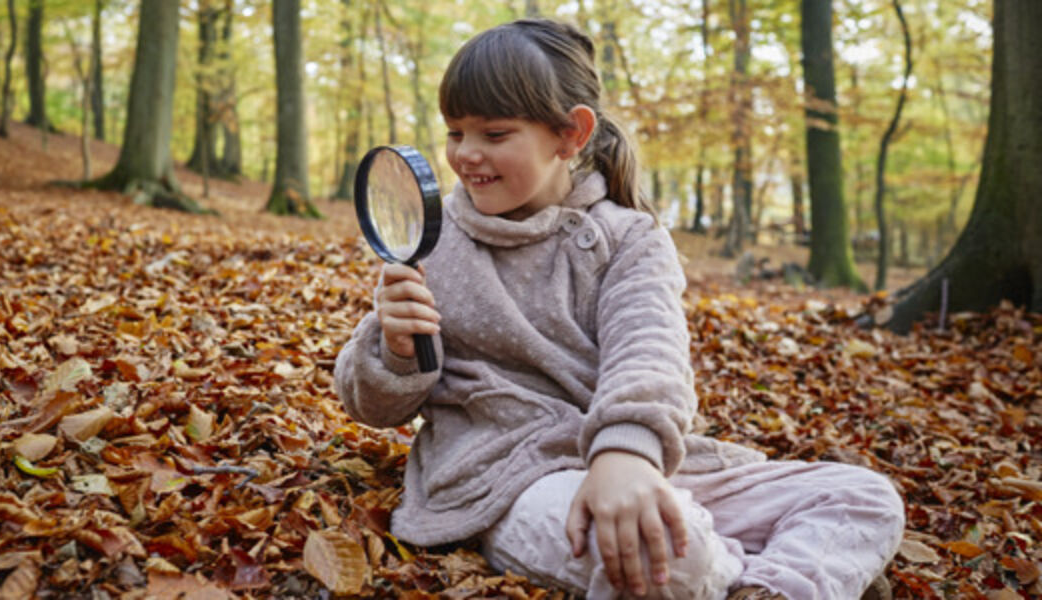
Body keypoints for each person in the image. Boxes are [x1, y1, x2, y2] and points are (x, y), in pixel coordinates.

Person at [334, 18, 905, 600]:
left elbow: (650, 351)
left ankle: (766, 585)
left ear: (570, 135)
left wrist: (626, 454)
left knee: (864, 496)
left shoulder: (630, 238)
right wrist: (395, 349)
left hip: (638, 463)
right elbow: (374, 408)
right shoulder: (435, 243)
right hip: (506, 480)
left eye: (495, 134)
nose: (466, 155)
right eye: (455, 132)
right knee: (667, 562)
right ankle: (777, 574)